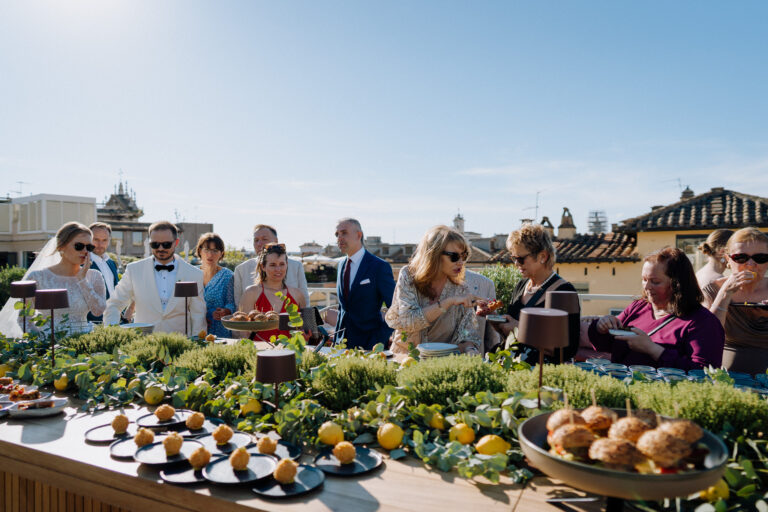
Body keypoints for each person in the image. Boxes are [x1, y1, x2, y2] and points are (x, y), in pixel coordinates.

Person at [589, 247, 724, 370]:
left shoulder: (702, 322)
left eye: (655, 282)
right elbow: (607, 344)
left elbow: (704, 372)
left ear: (677, 284)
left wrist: (653, 350)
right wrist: (601, 328)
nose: (646, 287)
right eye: (644, 279)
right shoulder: (638, 307)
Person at [386, 225, 482, 355]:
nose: (460, 262)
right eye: (454, 256)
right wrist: (448, 302)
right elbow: (408, 321)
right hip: (404, 360)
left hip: (440, 365)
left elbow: (468, 335)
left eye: (464, 256)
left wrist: (470, 349)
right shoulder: (409, 277)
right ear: (434, 255)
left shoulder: (461, 289)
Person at [104, 221, 206, 334]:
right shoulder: (134, 270)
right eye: (155, 244)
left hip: (180, 344)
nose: (160, 248)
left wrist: (197, 342)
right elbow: (114, 304)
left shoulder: (194, 274)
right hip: (143, 343)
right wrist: (112, 333)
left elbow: (198, 315)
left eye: (166, 244)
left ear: (176, 242)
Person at [494, 224, 577, 362]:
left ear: (543, 256)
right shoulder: (521, 285)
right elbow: (512, 332)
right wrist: (495, 320)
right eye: (513, 258)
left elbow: (567, 349)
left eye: (520, 259)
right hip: (512, 364)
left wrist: (521, 330)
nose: (516, 263)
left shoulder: (564, 291)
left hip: (540, 372)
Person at [7, 222, 107, 336]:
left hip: (83, 344)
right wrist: (43, 343)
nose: (85, 251)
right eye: (79, 246)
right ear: (61, 246)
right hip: (50, 348)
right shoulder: (37, 277)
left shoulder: (94, 276)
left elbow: (98, 311)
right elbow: (24, 319)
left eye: (89, 247)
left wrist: (82, 280)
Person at [702, 227, 768, 374]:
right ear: (727, 259)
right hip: (726, 378)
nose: (750, 264)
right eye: (741, 258)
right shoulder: (713, 290)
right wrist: (725, 293)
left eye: (760, 258)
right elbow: (706, 336)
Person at [335, 218, 396, 350]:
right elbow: (343, 308)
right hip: (342, 346)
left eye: (344, 233)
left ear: (358, 235)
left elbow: (396, 308)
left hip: (371, 345)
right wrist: (336, 340)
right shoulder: (340, 265)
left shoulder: (379, 267)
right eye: (337, 234)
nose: (339, 238)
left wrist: (380, 339)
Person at [238, 243, 307, 341]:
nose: (278, 269)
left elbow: (309, 330)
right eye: (273, 265)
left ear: (287, 265)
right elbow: (243, 333)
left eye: (282, 264)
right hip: (260, 352)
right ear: (263, 267)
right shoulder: (251, 293)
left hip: (291, 352)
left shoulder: (298, 294)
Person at [233, 224, 310, 307]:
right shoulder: (241, 269)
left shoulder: (296, 266)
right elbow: (238, 305)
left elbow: (305, 301)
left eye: (264, 239)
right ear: (263, 267)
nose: (259, 243)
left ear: (276, 241)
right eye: (256, 240)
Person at [196, 233, 235, 338]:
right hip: (195, 327)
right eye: (206, 250)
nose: (210, 255)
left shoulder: (228, 276)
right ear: (199, 251)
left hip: (219, 330)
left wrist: (225, 311)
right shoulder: (192, 273)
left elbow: (231, 303)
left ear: (221, 253)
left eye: (215, 251)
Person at [87, 222, 120, 323]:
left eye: (104, 240)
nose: (100, 244)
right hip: (92, 323)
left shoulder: (111, 263)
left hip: (114, 320)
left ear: (109, 241)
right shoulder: (82, 263)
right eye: (96, 239)